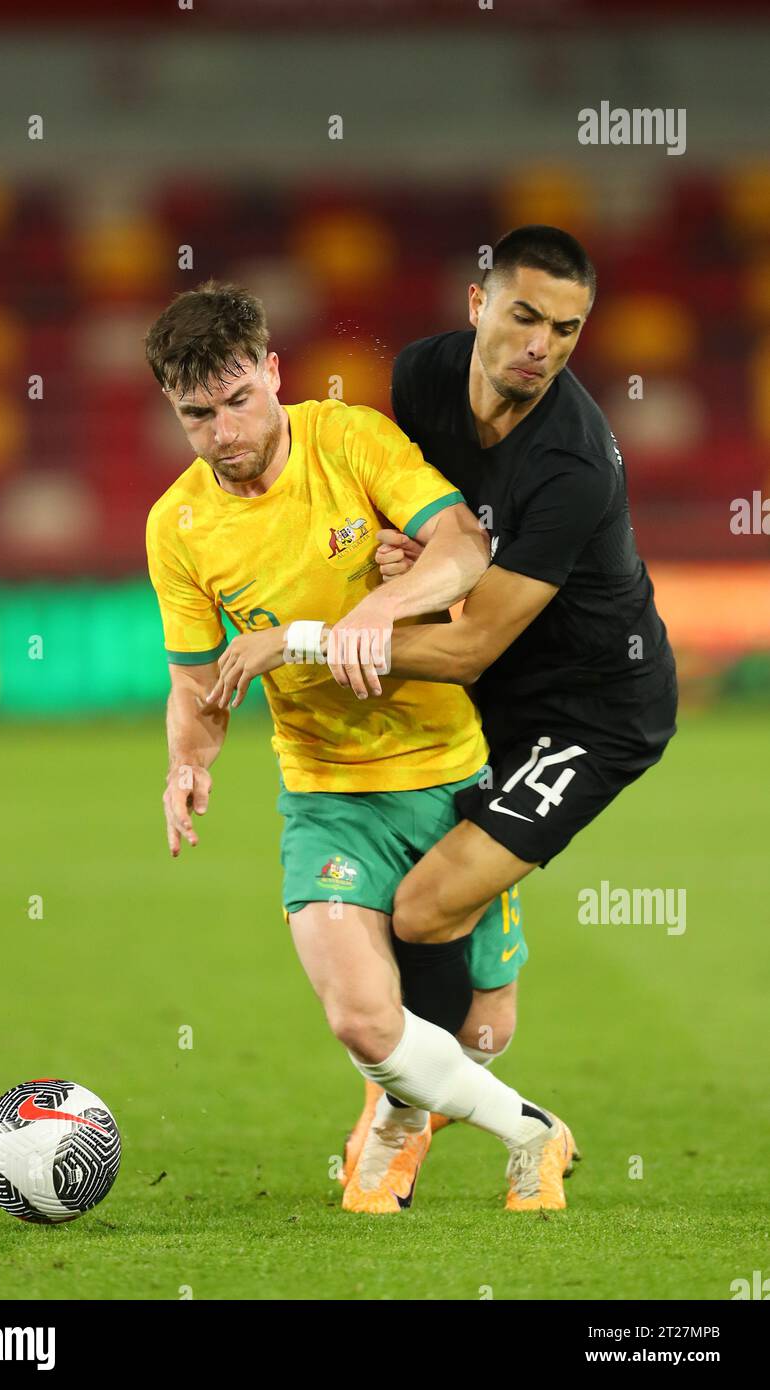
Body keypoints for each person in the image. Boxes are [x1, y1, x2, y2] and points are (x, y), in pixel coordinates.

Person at [214, 227, 677, 1209]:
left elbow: (469, 645)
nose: (540, 346)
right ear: (475, 305)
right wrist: (401, 570)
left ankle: (402, 1111)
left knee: (430, 917)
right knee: (443, 989)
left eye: (565, 328)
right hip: (481, 685)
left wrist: (300, 638)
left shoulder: (571, 466)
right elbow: (422, 527)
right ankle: (406, 1104)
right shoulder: (423, 378)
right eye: (522, 315)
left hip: (588, 708)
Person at [144, 279, 578, 1217]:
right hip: (323, 793)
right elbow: (196, 683)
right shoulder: (176, 528)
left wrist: (384, 601)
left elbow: (462, 543)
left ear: (271, 372)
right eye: (195, 415)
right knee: (361, 1018)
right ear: (172, 413)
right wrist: (189, 761)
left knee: (482, 1034)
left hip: (447, 774)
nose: (222, 432)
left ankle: (399, 1115)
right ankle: (528, 1131)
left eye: (237, 401)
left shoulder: (350, 440)